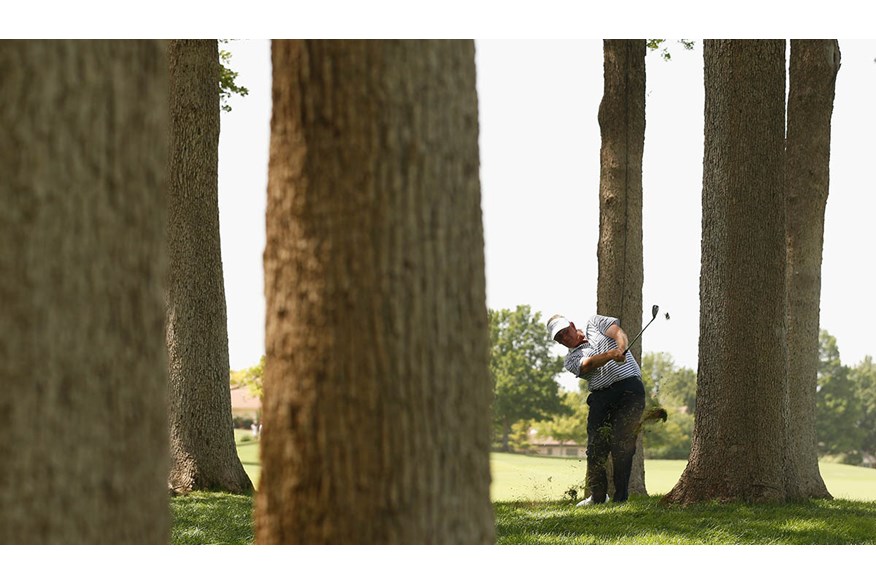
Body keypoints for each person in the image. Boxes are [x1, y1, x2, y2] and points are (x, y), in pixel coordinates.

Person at [547, 313, 645, 506]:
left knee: (623, 445)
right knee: (595, 449)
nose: (565, 338)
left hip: (630, 390)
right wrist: (611, 355)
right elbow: (588, 364)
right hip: (601, 398)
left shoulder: (594, 323)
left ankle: (620, 499)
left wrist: (621, 348)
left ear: (572, 325)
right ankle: (598, 497)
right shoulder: (571, 360)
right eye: (560, 338)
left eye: (565, 332)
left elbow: (617, 332)